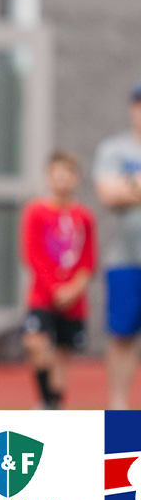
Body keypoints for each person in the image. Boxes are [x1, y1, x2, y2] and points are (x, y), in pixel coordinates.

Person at [21, 152, 96, 409]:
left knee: (63, 352)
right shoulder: (36, 212)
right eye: (57, 174)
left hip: (73, 300)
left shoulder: (84, 217)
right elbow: (32, 255)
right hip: (43, 296)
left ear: (76, 179)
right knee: (36, 342)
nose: (62, 180)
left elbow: (88, 260)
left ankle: (56, 403)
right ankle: (44, 400)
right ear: (48, 178)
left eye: (68, 174)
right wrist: (55, 288)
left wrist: (75, 288)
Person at [93, 80, 141, 410]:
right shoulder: (114, 150)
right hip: (126, 259)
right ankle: (119, 410)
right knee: (122, 336)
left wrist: (132, 187)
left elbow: (124, 191)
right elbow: (109, 194)